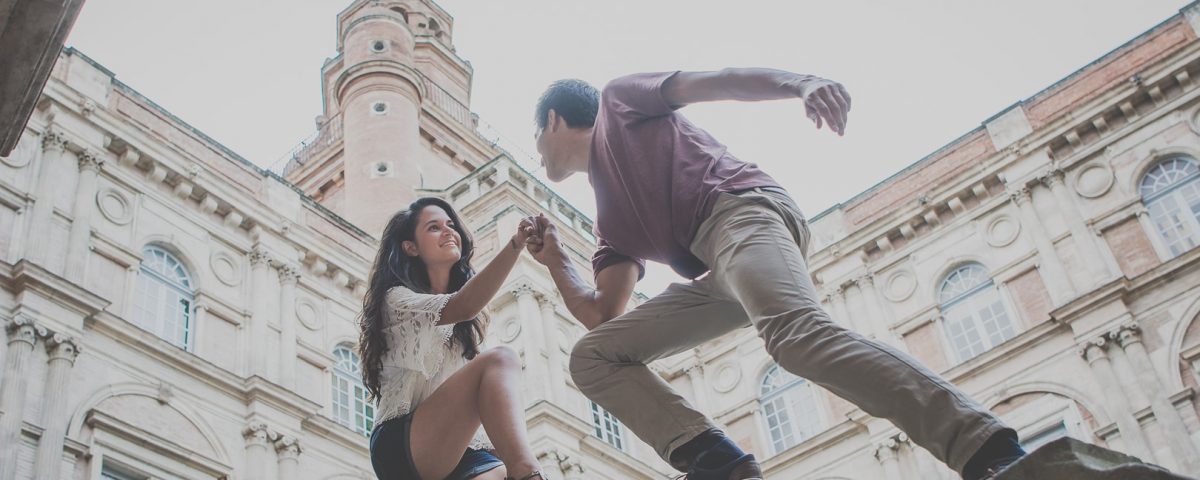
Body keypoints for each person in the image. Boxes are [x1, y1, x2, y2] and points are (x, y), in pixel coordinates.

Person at [524, 70, 1026, 480]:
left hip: (741, 214)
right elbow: (603, 316)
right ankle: (718, 463)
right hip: (720, 272)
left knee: (796, 338)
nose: (537, 148)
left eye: (535, 136)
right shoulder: (610, 221)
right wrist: (556, 262)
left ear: (553, 120)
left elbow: (716, 82)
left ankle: (983, 446)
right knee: (592, 358)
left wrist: (801, 84)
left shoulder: (619, 102)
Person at [359, 197, 547, 480]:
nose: (449, 231)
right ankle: (529, 473)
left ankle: (523, 471)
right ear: (410, 247)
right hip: (405, 443)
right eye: (434, 227)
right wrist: (516, 245)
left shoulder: (467, 329)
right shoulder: (396, 300)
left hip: (460, 447)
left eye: (451, 225)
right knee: (501, 359)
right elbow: (464, 305)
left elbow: (486, 413)